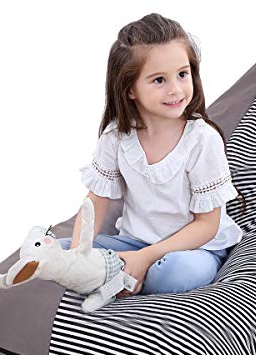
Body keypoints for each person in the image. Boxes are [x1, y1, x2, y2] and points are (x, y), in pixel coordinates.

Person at [58, 13, 246, 298]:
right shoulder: (116, 136)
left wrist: (146, 258)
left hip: (193, 250)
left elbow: (207, 225)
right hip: (134, 243)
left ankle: (125, 278)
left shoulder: (202, 140)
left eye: (182, 74)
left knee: (173, 272)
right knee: (57, 252)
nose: (175, 89)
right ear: (130, 89)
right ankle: (119, 275)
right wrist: (76, 254)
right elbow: (96, 201)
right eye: (159, 80)